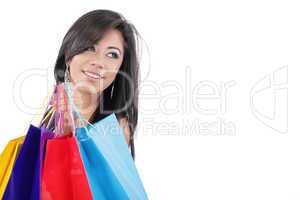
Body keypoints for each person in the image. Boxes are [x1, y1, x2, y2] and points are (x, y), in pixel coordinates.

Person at [40, 9, 141, 160]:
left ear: (121, 67)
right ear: (68, 56)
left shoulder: (117, 127)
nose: (99, 62)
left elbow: (98, 182)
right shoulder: (51, 113)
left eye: (112, 54)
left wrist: (67, 140)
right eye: (89, 48)